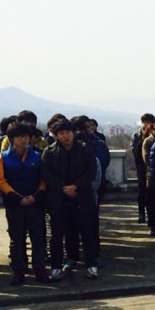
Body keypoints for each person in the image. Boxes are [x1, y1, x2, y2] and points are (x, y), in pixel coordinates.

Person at [40, 119, 99, 280]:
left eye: (68, 132)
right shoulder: (49, 152)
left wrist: (76, 186)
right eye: (61, 133)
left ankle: (91, 265)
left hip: (81, 197)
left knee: (87, 232)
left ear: (73, 133)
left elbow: (91, 172)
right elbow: (46, 174)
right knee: (57, 235)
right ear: (56, 135)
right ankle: (56, 267)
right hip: (58, 199)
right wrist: (62, 187)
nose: (65, 136)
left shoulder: (85, 149)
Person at [0, 122, 49, 284]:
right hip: (14, 205)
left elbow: (44, 178)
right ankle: (19, 271)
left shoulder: (38, 156)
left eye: (26, 136)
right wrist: (18, 198)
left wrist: (37, 195)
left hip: (36, 203)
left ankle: (40, 270)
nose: (23, 140)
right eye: (19, 137)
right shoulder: (3, 158)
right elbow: (1, 181)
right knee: (17, 239)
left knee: (38, 238)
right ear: (11, 139)